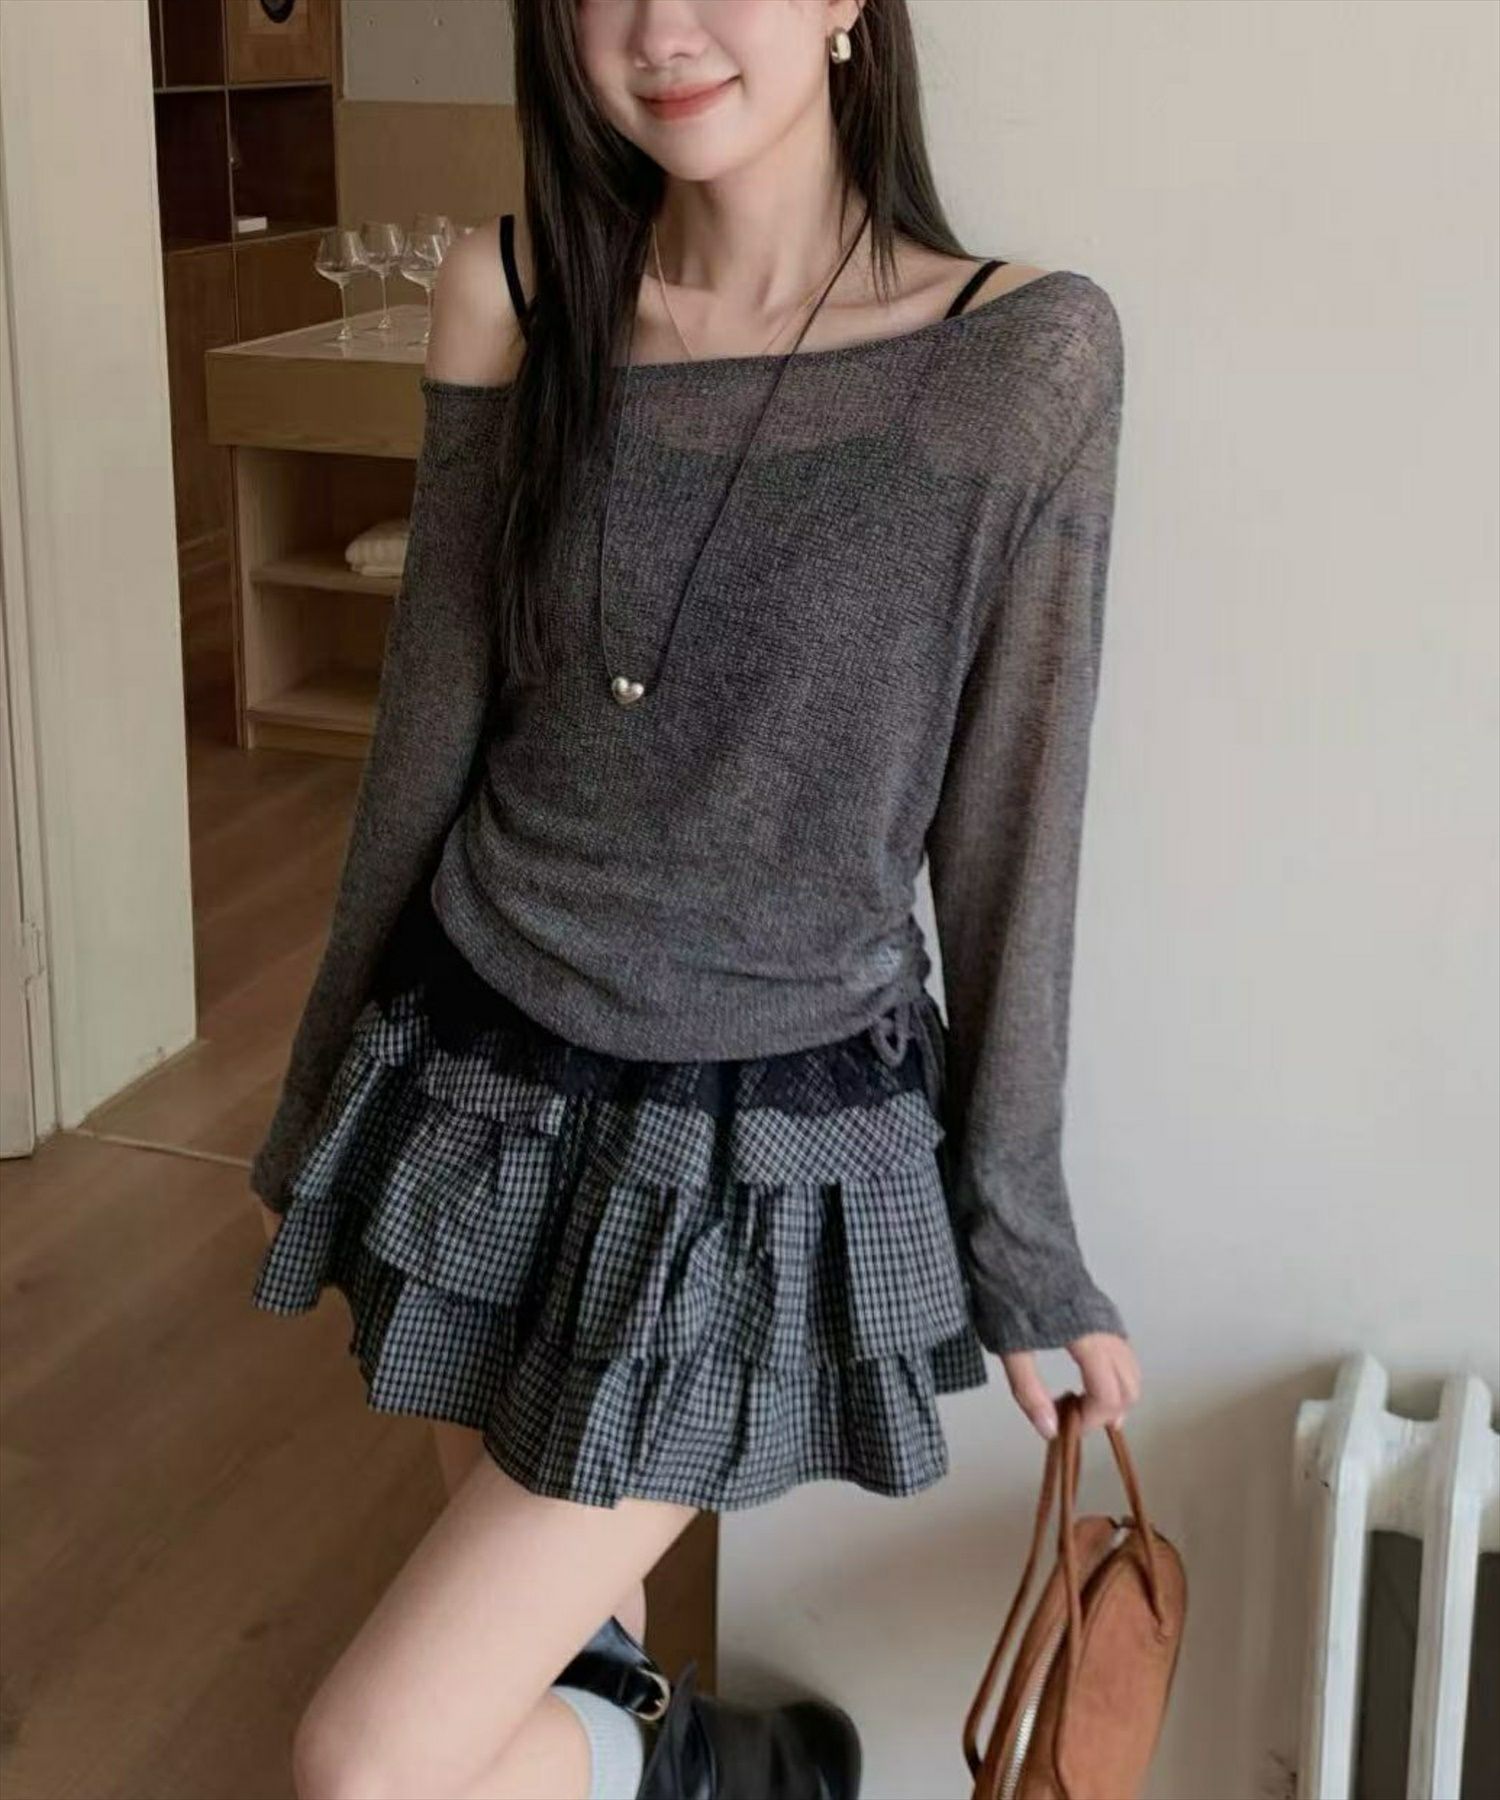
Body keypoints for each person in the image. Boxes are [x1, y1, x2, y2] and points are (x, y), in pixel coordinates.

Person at [246, 1, 1142, 1795]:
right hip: (478, 1079)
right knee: (579, 1651)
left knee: (370, 1763)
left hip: (752, 1149)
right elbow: (426, 737)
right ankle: (701, 1759)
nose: (660, 26)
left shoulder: (1021, 354)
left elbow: (1012, 823)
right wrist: (325, 1084)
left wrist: (1021, 1235)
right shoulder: (516, 292)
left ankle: (710, 1771)